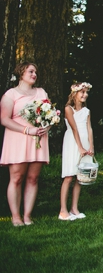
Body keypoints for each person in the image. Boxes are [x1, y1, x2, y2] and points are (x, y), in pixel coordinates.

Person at [0, 62, 51, 226]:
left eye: (35, 71)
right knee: (16, 178)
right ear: (21, 73)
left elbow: (50, 114)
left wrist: (47, 126)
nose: (34, 74)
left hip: (38, 139)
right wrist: (26, 130)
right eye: (31, 71)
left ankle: (28, 216)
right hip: (18, 138)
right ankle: (16, 216)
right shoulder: (11, 94)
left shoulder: (41, 92)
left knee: (33, 178)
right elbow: (4, 119)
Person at [59, 82, 94, 221]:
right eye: (82, 92)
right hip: (73, 143)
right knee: (69, 176)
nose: (85, 95)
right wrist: (80, 147)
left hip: (85, 142)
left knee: (80, 177)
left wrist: (91, 146)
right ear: (75, 93)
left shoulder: (87, 111)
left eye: (86, 93)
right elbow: (74, 128)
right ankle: (63, 210)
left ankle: (74, 208)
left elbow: (89, 129)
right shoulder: (68, 109)